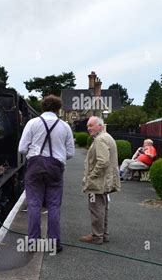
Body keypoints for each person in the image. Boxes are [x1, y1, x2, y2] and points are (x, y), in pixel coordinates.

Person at [18, 95, 75, 253]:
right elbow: (70, 153)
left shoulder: (32, 123)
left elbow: (22, 149)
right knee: (54, 205)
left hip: (35, 165)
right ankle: (54, 243)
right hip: (56, 167)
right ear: (58, 109)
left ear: (42, 107)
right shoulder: (65, 126)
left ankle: (32, 242)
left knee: (34, 205)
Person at [80, 116, 120, 245]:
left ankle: (97, 236)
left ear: (100, 126)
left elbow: (103, 161)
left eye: (91, 125)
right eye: (88, 126)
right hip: (106, 180)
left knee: (96, 208)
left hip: (98, 182)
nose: (88, 128)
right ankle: (103, 234)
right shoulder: (108, 137)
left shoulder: (100, 139)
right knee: (102, 208)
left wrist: (91, 176)